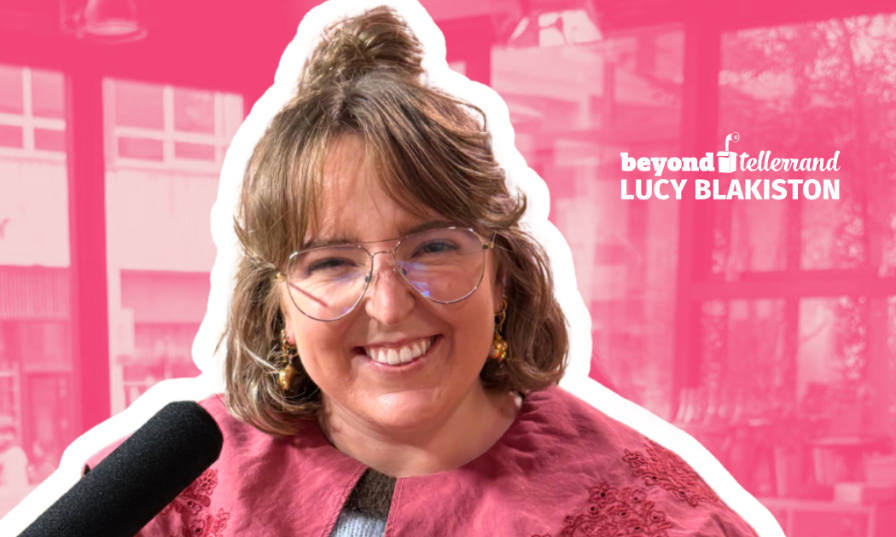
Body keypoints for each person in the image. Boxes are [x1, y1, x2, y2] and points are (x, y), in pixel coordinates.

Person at [87, 6, 760, 536]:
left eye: (433, 247)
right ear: (277, 309)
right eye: (329, 262)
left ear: (502, 276)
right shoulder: (170, 489)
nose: (387, 303)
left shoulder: (656, 515)